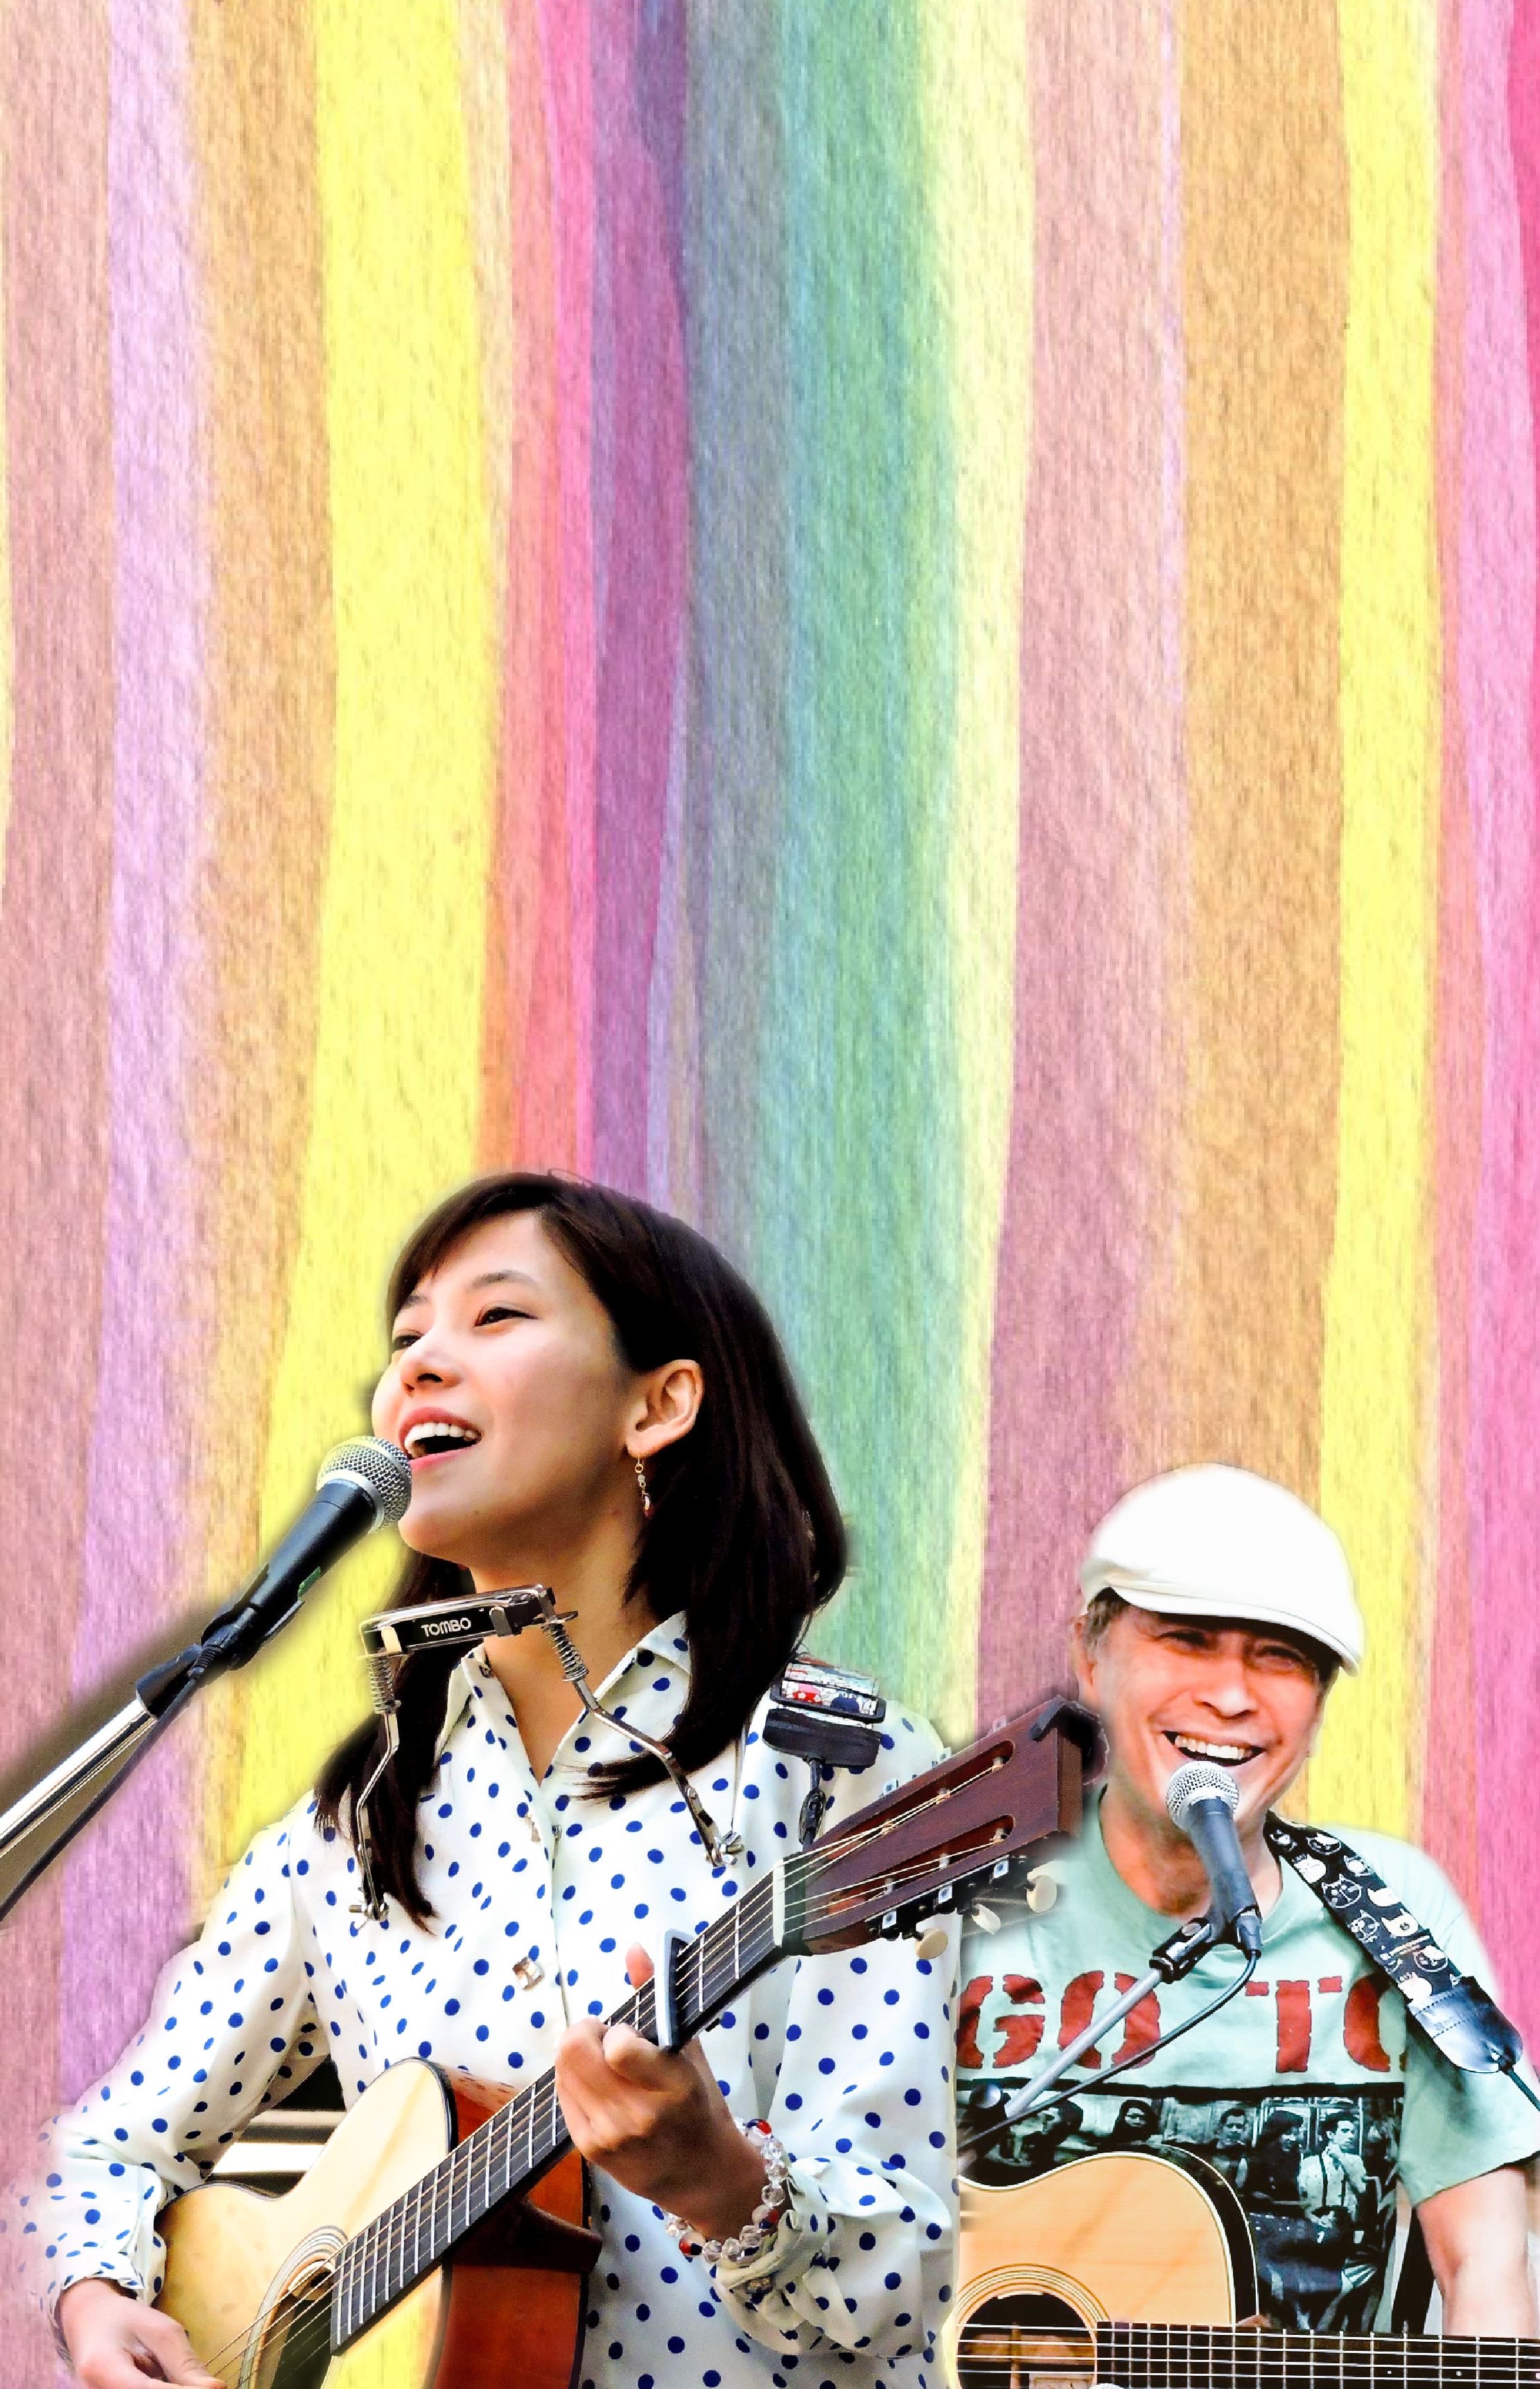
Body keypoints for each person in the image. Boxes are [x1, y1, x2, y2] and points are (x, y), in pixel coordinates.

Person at [21, 1174, 956, 2388]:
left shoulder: (839, 1768)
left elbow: (900, 2290)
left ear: (658, 1404)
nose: (417, 1364)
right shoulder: (351, 1827)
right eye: (405, 1336)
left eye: (496, 1316)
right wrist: (95, 2297)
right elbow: (97, 2152)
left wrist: (721, 2182)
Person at [956, 1463, 1540, 2336]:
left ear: (1318, 1702)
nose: (1230, 1696)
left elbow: (1483, 2266)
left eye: (1279, 1656)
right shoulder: (956, 1903)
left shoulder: (1393, 1907)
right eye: (1186, 1639)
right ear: (1088, 1653)